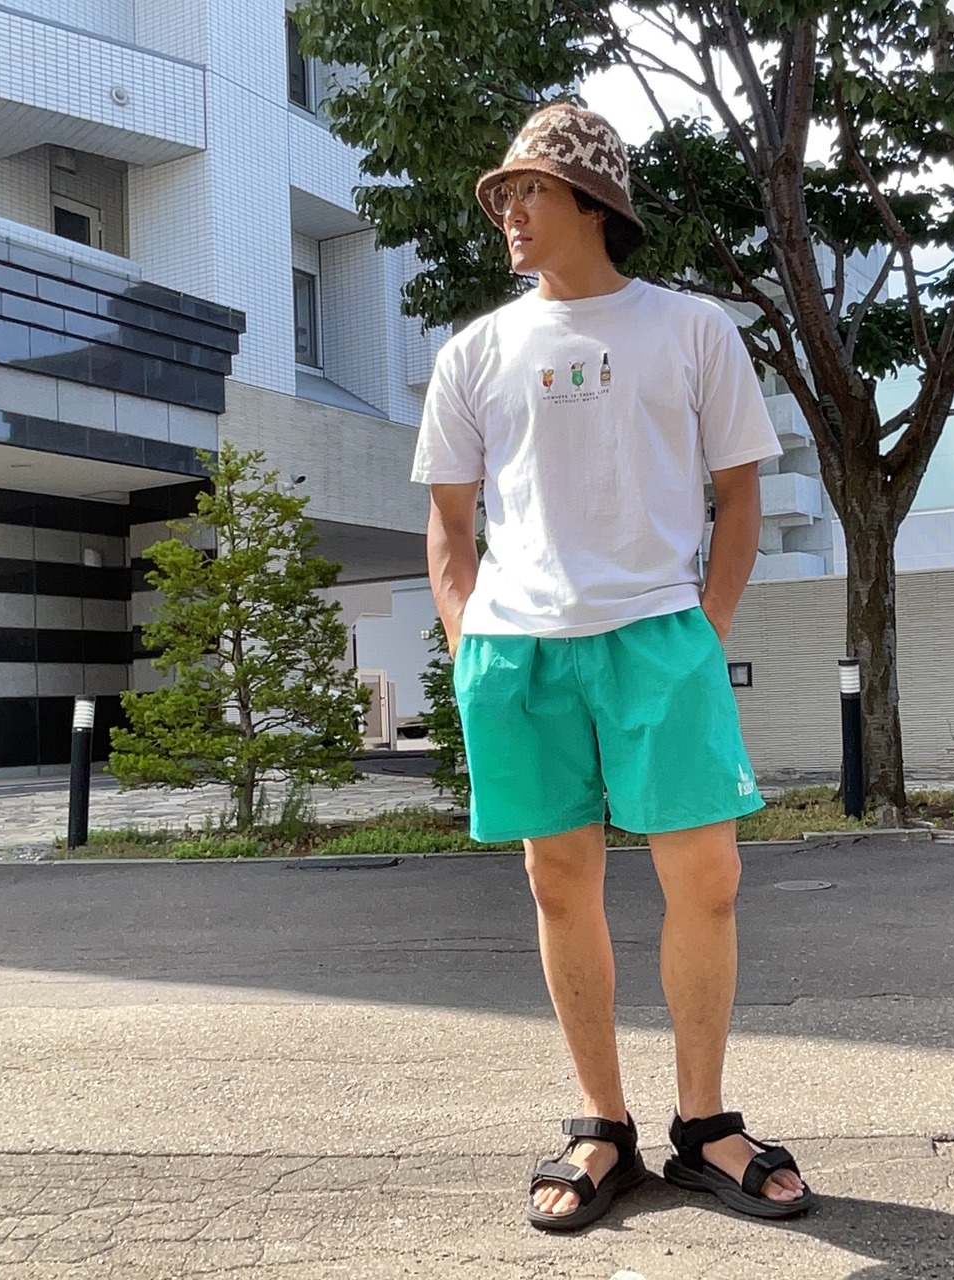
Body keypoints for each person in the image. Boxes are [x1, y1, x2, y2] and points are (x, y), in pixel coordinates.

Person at [412, 102, 815, 1231]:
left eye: (528, 190)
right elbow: (450, 520)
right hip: (519, 647)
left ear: (591, 202)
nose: (508, 211)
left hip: (657, 634)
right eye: (501, 195)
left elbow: (738, 493)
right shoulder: (474, 351)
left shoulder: (689, 328)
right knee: (558, 879)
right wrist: (466, 641)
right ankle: (601, 1124)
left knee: (707, 877)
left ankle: (704, 1123)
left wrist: (703, 626)